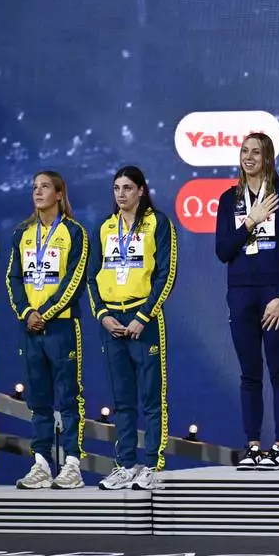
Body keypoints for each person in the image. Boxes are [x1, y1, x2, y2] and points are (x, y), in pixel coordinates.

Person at [215, 133, 279, 471]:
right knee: (249, 373)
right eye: (244, 151)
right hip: (240, 293)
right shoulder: (228, 198)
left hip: (273, 293)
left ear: (268, 158)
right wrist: (251, 220)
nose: (248, 157)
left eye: (256, 152)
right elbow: (223, 251)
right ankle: (253, 446)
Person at [88, 165, 177, 490]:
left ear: (141, 190)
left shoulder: (158, 223)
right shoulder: (105, 227)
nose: (121, 194)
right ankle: (125, 463)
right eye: (116, 188)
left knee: (152, 397)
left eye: (127, 188)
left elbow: (165, 274)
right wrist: (102, 315)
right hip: (111, 321)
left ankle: (152, 465)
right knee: (122, 400)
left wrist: (144, 316)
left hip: (145, 321)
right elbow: (92, 277)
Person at [6, 170, 90, 490]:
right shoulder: (22, 234)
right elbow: (13, 278)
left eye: (44, 187)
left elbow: (75, 279)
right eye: (34, 188)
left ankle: (71, 464)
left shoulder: (74, 232)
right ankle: (41, 463)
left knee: (68, 397)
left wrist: (47, 312)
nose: (38, 192)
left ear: (59, 193)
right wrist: (28, 312)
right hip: (31, 329)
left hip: (62, 326)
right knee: (38, 399)